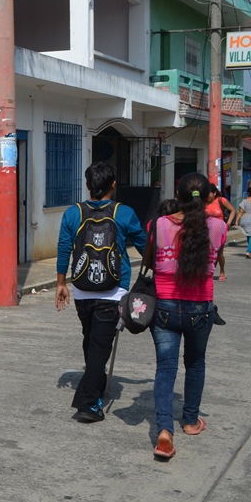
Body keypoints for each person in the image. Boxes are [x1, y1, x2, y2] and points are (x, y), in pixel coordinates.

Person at [55, 162, 146, 422]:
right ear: (113, 185)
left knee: (91, 339)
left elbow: (64, 248)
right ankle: (87, 404)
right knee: (100, 345)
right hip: (114, 290)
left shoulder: (73, 213)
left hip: (82, 288)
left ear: (87, 185)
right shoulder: (124, 213)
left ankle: (95, 382)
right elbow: (144, 247)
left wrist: (62, 283)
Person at [148, 173, 227, 461]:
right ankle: (191, 421)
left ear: (178, 194)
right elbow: (216, 256)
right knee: (195, 364)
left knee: (165, 369)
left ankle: (165, 431)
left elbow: (148, 260)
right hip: (199, 307)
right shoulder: (218, 226)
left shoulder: (160, 224)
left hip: (165, 306)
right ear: (209, 197)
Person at [205, 185, 235, 281]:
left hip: (220, 230)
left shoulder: (221, 200)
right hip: (207, 230)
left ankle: (222, 270)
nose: (207, 196)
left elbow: (233, 210)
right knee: (208, 252)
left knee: (219, 253)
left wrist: (229, 222)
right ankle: (210, 271)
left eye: (208, 194)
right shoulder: (203, 202)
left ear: (214, 193)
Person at [237, 189, 251, 259]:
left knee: (249, 236)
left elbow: (241, 212)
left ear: (248, 193)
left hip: (245, 219)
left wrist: (237, 220)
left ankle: (250, 250)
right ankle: (248, 251)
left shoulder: (244, 201)